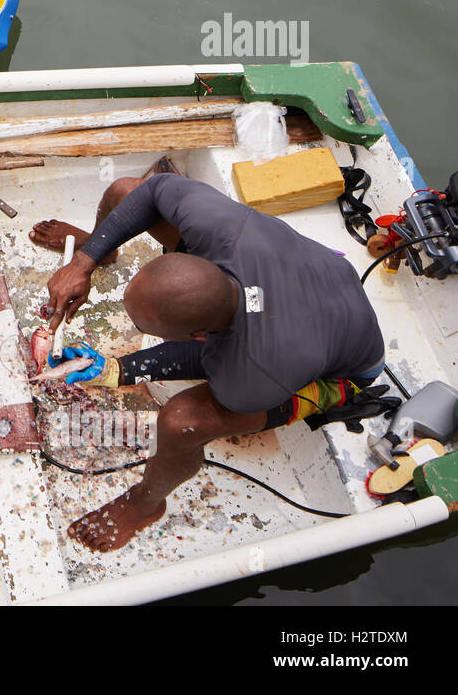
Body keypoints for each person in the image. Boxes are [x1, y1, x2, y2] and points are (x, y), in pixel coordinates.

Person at [33, 171, 397, 552]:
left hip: (345, 369)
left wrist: (120, 370)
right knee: (128, 192)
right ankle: (103, 246)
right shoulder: (224, 228)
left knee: (181, 423)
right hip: (314, 286)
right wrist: (83, 264)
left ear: (200, 335)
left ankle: (146, 504)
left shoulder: (257, 371)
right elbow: (155, 190)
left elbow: (207, 363)